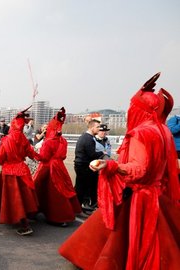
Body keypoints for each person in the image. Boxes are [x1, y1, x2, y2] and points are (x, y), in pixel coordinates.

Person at [59, 72, 180, 269]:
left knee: (119, 235)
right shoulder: (163, 131)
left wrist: (111, 165)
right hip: (157, 194)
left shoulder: (141, 133)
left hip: (139, 196)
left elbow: (139, 169)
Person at [0, 107, 39, 236]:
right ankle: (16, 218)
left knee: (11, 198)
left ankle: (24, 224)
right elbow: (33, 154)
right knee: (23, 197)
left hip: (10, 172)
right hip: (22, 169)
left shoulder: (7, 140)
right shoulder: (24, 139)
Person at [33, 107, 81, 227]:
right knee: (63, 189)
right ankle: (67, 213)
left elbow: (43, 157)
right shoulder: (63, 141)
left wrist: (32, 152)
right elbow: (63, 156)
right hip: (60, 166)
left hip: (47, 167)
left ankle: (51, 215)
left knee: (44, 190)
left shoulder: (48, 141)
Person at [73, 119, 104, 213]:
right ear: (92, 127)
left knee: (80, 188)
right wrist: (102, 152)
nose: (99, 129)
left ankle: (78, 207)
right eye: (98, 127)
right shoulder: (88, 139)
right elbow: (91, 154)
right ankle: (78, 208)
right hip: (83, 166)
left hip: (80, 165)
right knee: (82, 188)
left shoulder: (85, 137)